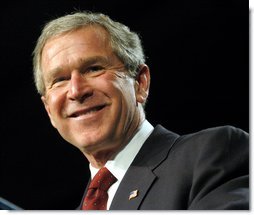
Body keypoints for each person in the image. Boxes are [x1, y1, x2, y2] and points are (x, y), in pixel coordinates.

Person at [32, 11, 249, 210]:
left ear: (140, 82)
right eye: (59, 80)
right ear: (49, 110)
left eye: (94, 69)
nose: (76, 91)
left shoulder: (211, 155)